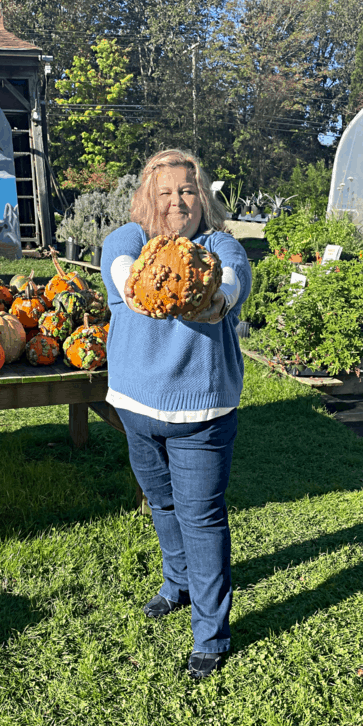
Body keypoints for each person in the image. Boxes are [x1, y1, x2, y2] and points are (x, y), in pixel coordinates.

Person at [101, 149, 251, 680]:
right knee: (161, 504)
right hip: (136, 407)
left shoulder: (219, 247)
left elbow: (231, 282)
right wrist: (144, 286)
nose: (176, 202)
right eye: (164, 192)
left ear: (201, 197)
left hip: (201, 414)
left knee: (202, 517)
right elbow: (123, 275)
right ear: (148, 198)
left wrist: (218, 298)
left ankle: (211, 633)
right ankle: (177, 583)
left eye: (187, 191)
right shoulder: (128, 242)